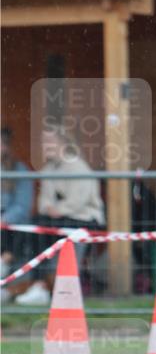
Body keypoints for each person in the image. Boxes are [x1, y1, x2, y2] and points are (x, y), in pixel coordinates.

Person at [13, 126, 105, 305]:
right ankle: (37, 284)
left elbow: (79, 200)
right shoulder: (48, 169)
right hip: (59, 219)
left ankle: (44, 285)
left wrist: (59, 209)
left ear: (63, 142)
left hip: (84, 218)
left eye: (49, 141)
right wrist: (50, 209)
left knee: (47, 229)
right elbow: (44, 201)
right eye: (43, 142)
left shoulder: (78, 167)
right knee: (34, 228)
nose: (45, 146)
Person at [1, 127, 34, 287]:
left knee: (17, 230)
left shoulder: (19, 169)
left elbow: (23, 206)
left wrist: (4, 219)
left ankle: (3, 263)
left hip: (11, 222)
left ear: (5, 146)